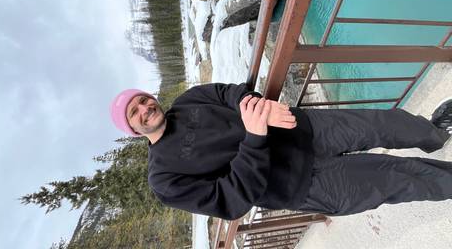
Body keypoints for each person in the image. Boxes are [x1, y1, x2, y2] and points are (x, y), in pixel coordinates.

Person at [110, 83, 452, 220]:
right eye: (134, 113)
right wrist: (254, 138)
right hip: (305, 184)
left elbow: (227, 93)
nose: (143, 108)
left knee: (384, 122)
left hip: (304, 129)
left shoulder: (187, 102)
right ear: (133, 130)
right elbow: (228, 201)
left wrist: (255, 104)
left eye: (141, 100)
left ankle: (436, 134)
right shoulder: (164, 179)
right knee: (399, 178)